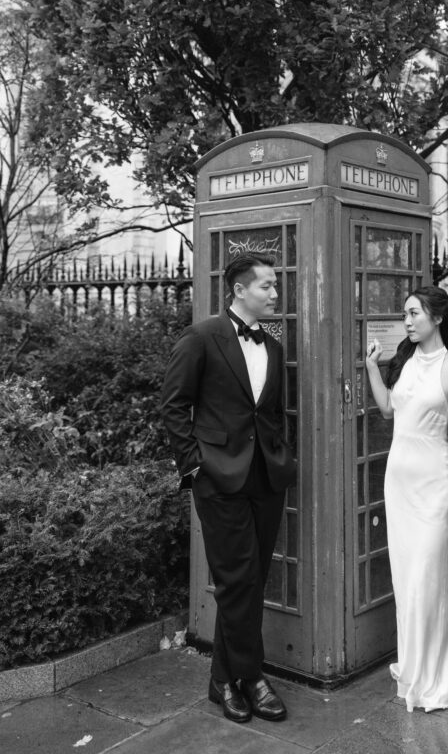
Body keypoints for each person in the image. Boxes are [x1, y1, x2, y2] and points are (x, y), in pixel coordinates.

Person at [160, 252, 296, 724]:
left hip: (266, 477)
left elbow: (272, 412)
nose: (275, 293)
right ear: (239, 289)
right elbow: (173, 405)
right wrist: (193, 467)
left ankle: (222, 680)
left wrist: (282, 455)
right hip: (219, 477)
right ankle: (252, 677)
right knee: (237, 579)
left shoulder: (273, 347)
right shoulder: (202, 337)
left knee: (251, 581)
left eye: (276, 285)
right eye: (267, 286)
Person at [365, 284, 448, 713]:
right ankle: (412, 668)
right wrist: (372, 366)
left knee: (427, 582)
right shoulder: (407, 362)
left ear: (437, 316)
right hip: (399, 483)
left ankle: (436, 676)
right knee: (405, 581)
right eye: (404, 314)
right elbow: (389, 410)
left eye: (413, 314)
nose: (406, 322)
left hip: (433, 485)